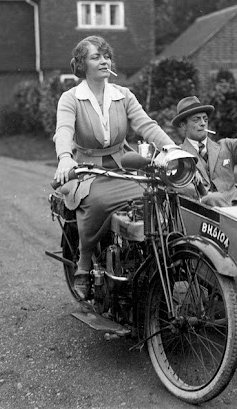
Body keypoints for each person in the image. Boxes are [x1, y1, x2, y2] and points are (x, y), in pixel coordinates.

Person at [53, 36, 175, 299]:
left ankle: (149, 260)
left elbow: (147, 125)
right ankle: (84, 263)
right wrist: (65, 157)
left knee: (155, 197)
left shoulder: (123, 95)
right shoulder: (71, 98)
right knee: (98, 201)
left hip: (123, 166)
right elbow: (63, 131)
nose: (104, 61)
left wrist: (172, 149)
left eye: (106, 56)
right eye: (96, 57)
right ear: (82, 64)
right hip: (87, 171)